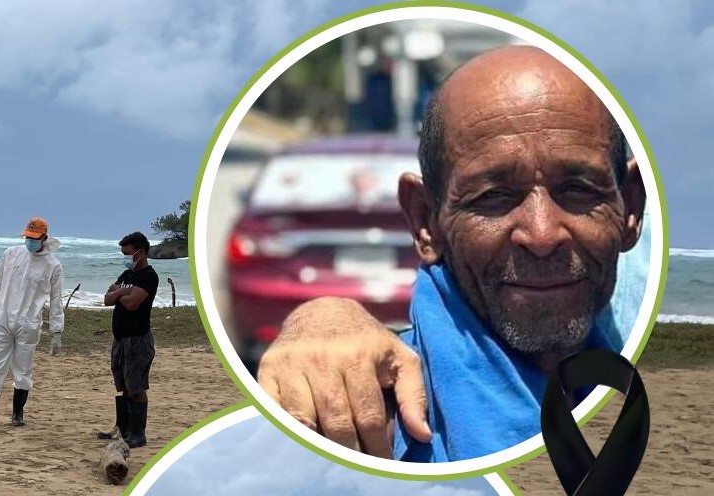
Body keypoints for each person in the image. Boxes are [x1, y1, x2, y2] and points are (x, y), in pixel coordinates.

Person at [256, 45, 647, 461]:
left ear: (631, 208)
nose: (541, 234)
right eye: (494, 196)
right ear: (426, 221)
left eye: (578, 190)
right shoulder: (372, 421)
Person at [0, 217, 65, 428]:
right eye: (27, 237)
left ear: (44, 238)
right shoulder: (11, 254)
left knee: (23, 368)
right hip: (3, 316)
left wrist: (57, 331)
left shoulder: (53, 266)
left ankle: (17, 414)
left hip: (28, 323)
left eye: (34, 238)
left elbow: (56, 300)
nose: (30, 241)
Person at [96, 232, 159, 449]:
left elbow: (132, 303)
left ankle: (138, 434)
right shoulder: (127, 274)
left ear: (140, 253)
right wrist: (124, 290)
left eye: (127, 253)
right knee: (123, 384)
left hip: (137, 339)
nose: (124, 257)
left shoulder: (148, 277)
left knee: (136, 386)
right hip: (120, 339)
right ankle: (122, 429)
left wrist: (119, 292)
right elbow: (106, 299)